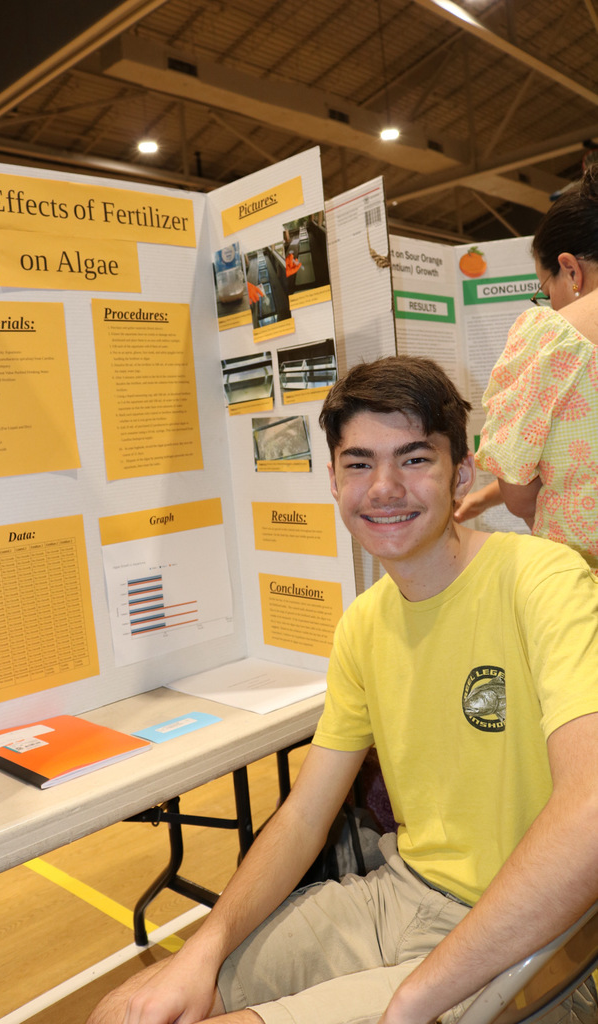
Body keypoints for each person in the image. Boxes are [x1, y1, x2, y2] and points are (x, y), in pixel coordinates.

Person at [87, 356, 598, 1024]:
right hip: (396, 895)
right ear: (332, 480)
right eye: (358, 463)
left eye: (413, 459)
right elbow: (303, 816)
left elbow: (589, 810)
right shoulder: (362, 624)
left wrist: (415, 995)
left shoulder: (542, 578)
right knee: (127, 1010)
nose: (383, 487)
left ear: (462, 474)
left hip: (524, 930)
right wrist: (201, 950)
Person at [457, 165, 598, 568]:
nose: (549, 301)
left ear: (571, 270)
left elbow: (519, 487)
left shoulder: (551, 337)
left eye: (546, 288)